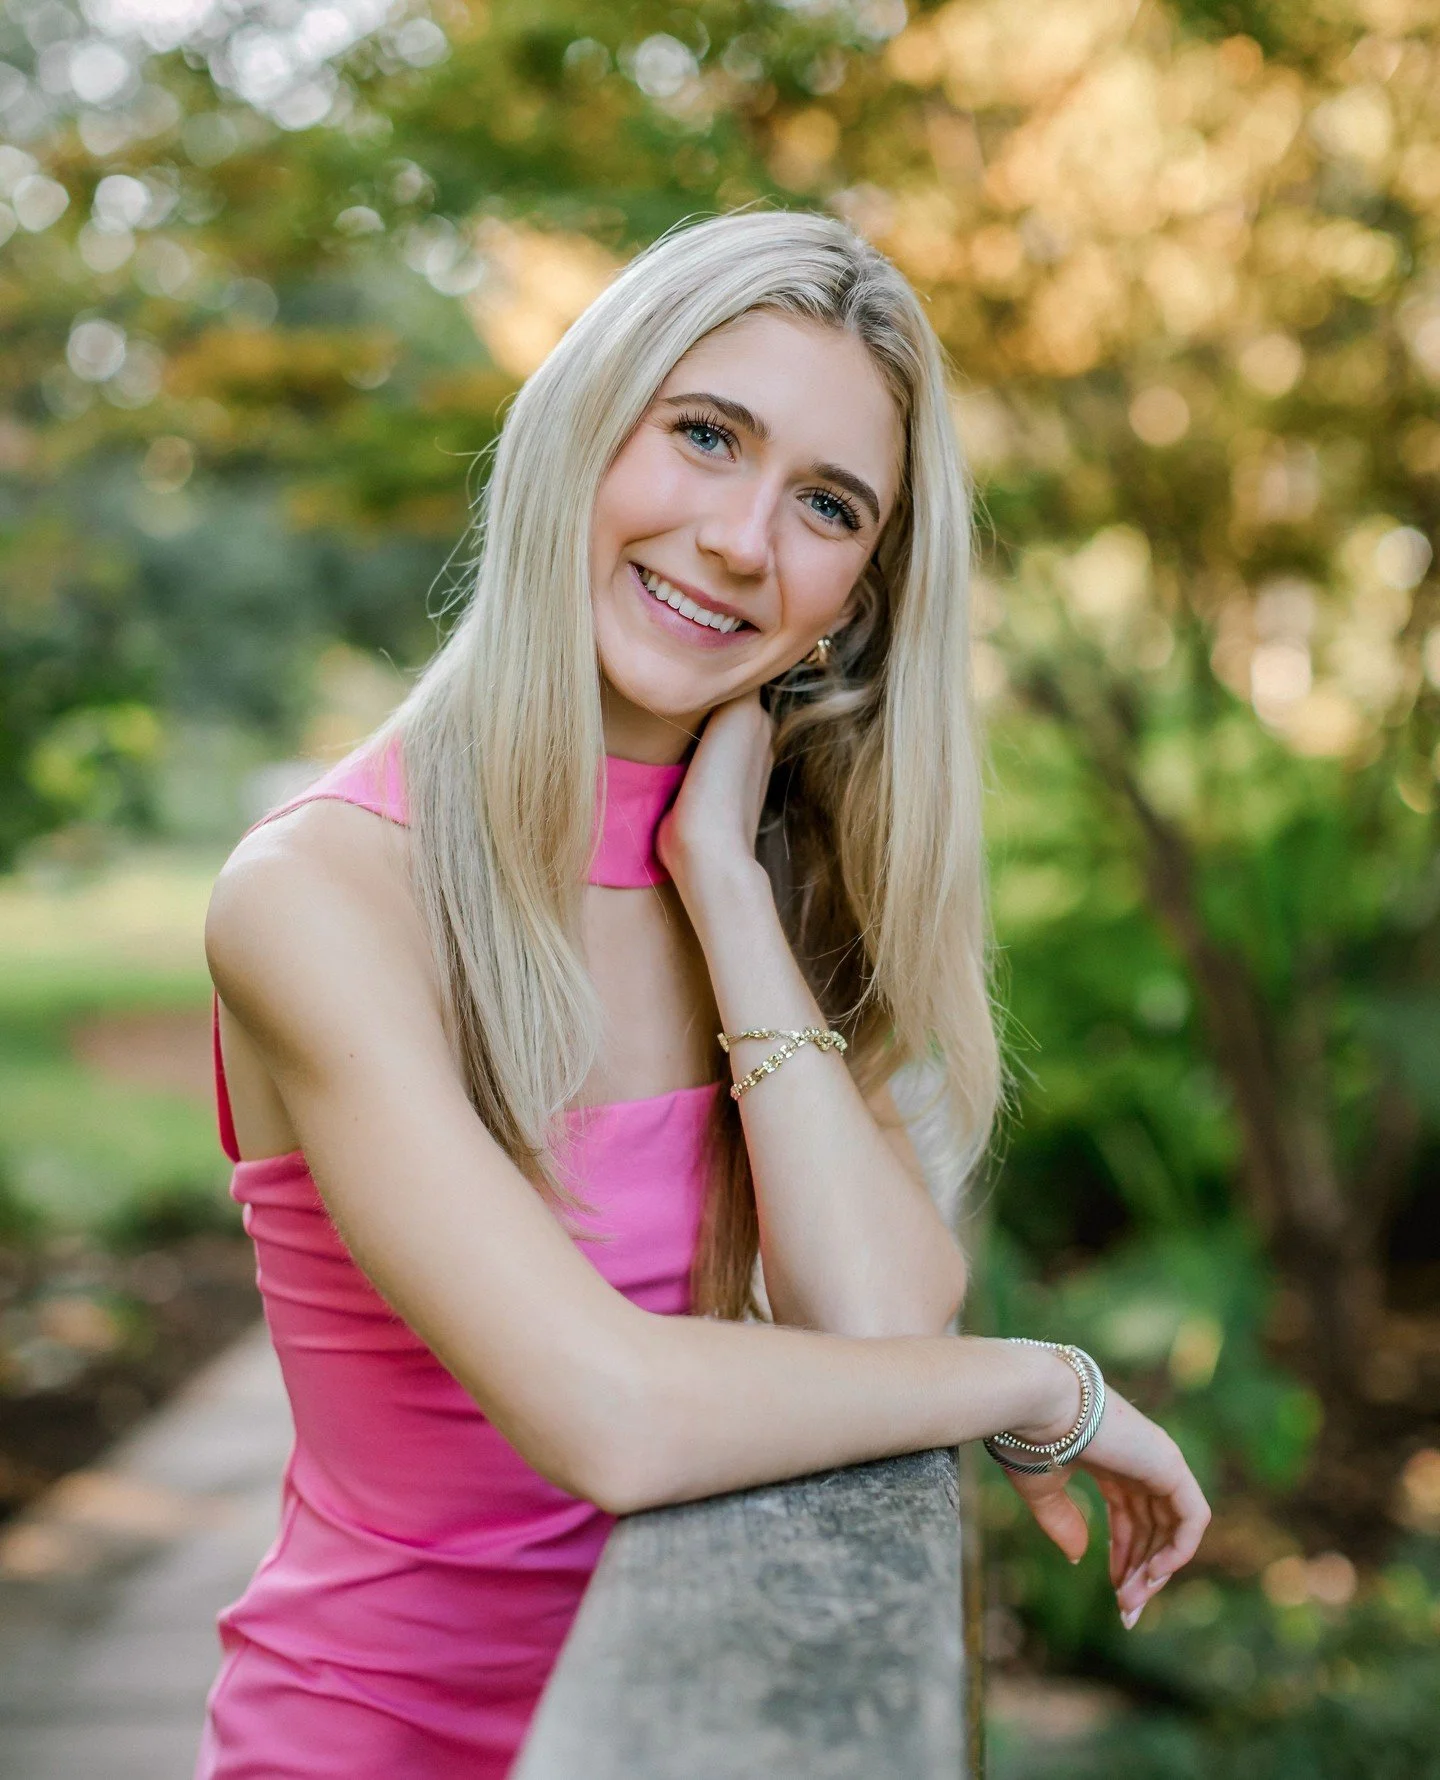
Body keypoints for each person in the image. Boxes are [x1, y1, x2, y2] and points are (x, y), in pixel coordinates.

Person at [196, 209, 1209, 1779]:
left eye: (826, 504)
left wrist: (726, 888)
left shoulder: (752, 877)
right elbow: (606, 1413)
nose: (744, 538)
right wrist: (1042, 1383)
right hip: (372, 1742)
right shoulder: (323, 893)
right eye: (705, 435)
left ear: (857, 602)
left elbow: (873, 1317)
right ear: (584, 433)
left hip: (691, 1716)